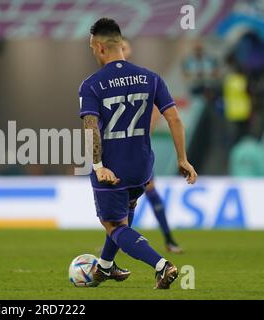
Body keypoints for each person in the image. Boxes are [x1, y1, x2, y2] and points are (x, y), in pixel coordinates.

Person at [79, 18, 197, 288]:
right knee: (125, 214)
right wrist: (182, 159)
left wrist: (98, 166)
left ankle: (162, 266)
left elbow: (90, 126)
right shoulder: (152, 78)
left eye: (91, 48)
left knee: (113, 226)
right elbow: (175, 119)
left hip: (112, 167)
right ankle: (106, 267)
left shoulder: (92, 85)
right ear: (120, 43)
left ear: (98, 47)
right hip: (142, 168)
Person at [122, 38, 183, 253]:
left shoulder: (142, 80)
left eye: (125, 46)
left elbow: (159, 114)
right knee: (124, 197)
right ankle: (120, 241)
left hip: (137, 150)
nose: (124, 50)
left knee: (146, 192)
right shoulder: (110, 82)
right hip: (119, 151)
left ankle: (168, 238)